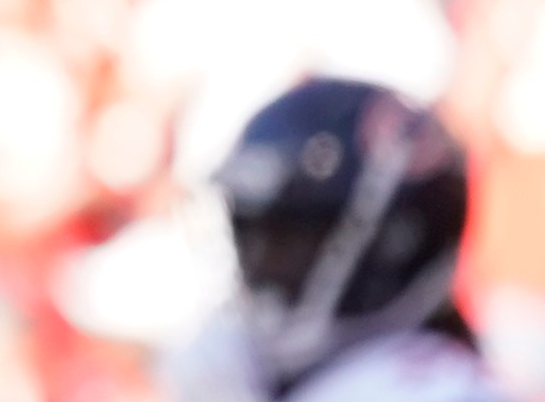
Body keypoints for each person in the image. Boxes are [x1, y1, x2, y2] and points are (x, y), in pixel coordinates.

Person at [165, 77, 508, 402]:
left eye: (285, 238)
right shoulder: (244, 365)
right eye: (248, 234)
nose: (257, 260)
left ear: (392, 245)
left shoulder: (430, 389)